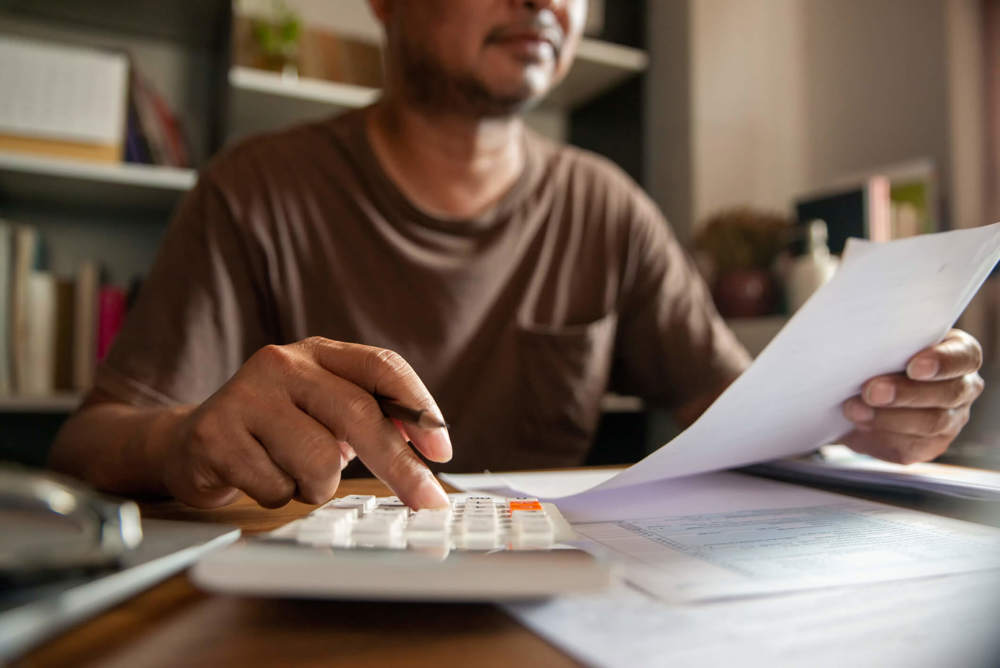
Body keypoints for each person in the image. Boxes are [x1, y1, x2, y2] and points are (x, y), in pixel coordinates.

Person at [49, 0, 985, 511]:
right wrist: (189, 440)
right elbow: (91, 439)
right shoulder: (254, 187)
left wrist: (864, 413)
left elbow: (733, 406)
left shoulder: (608, 205)